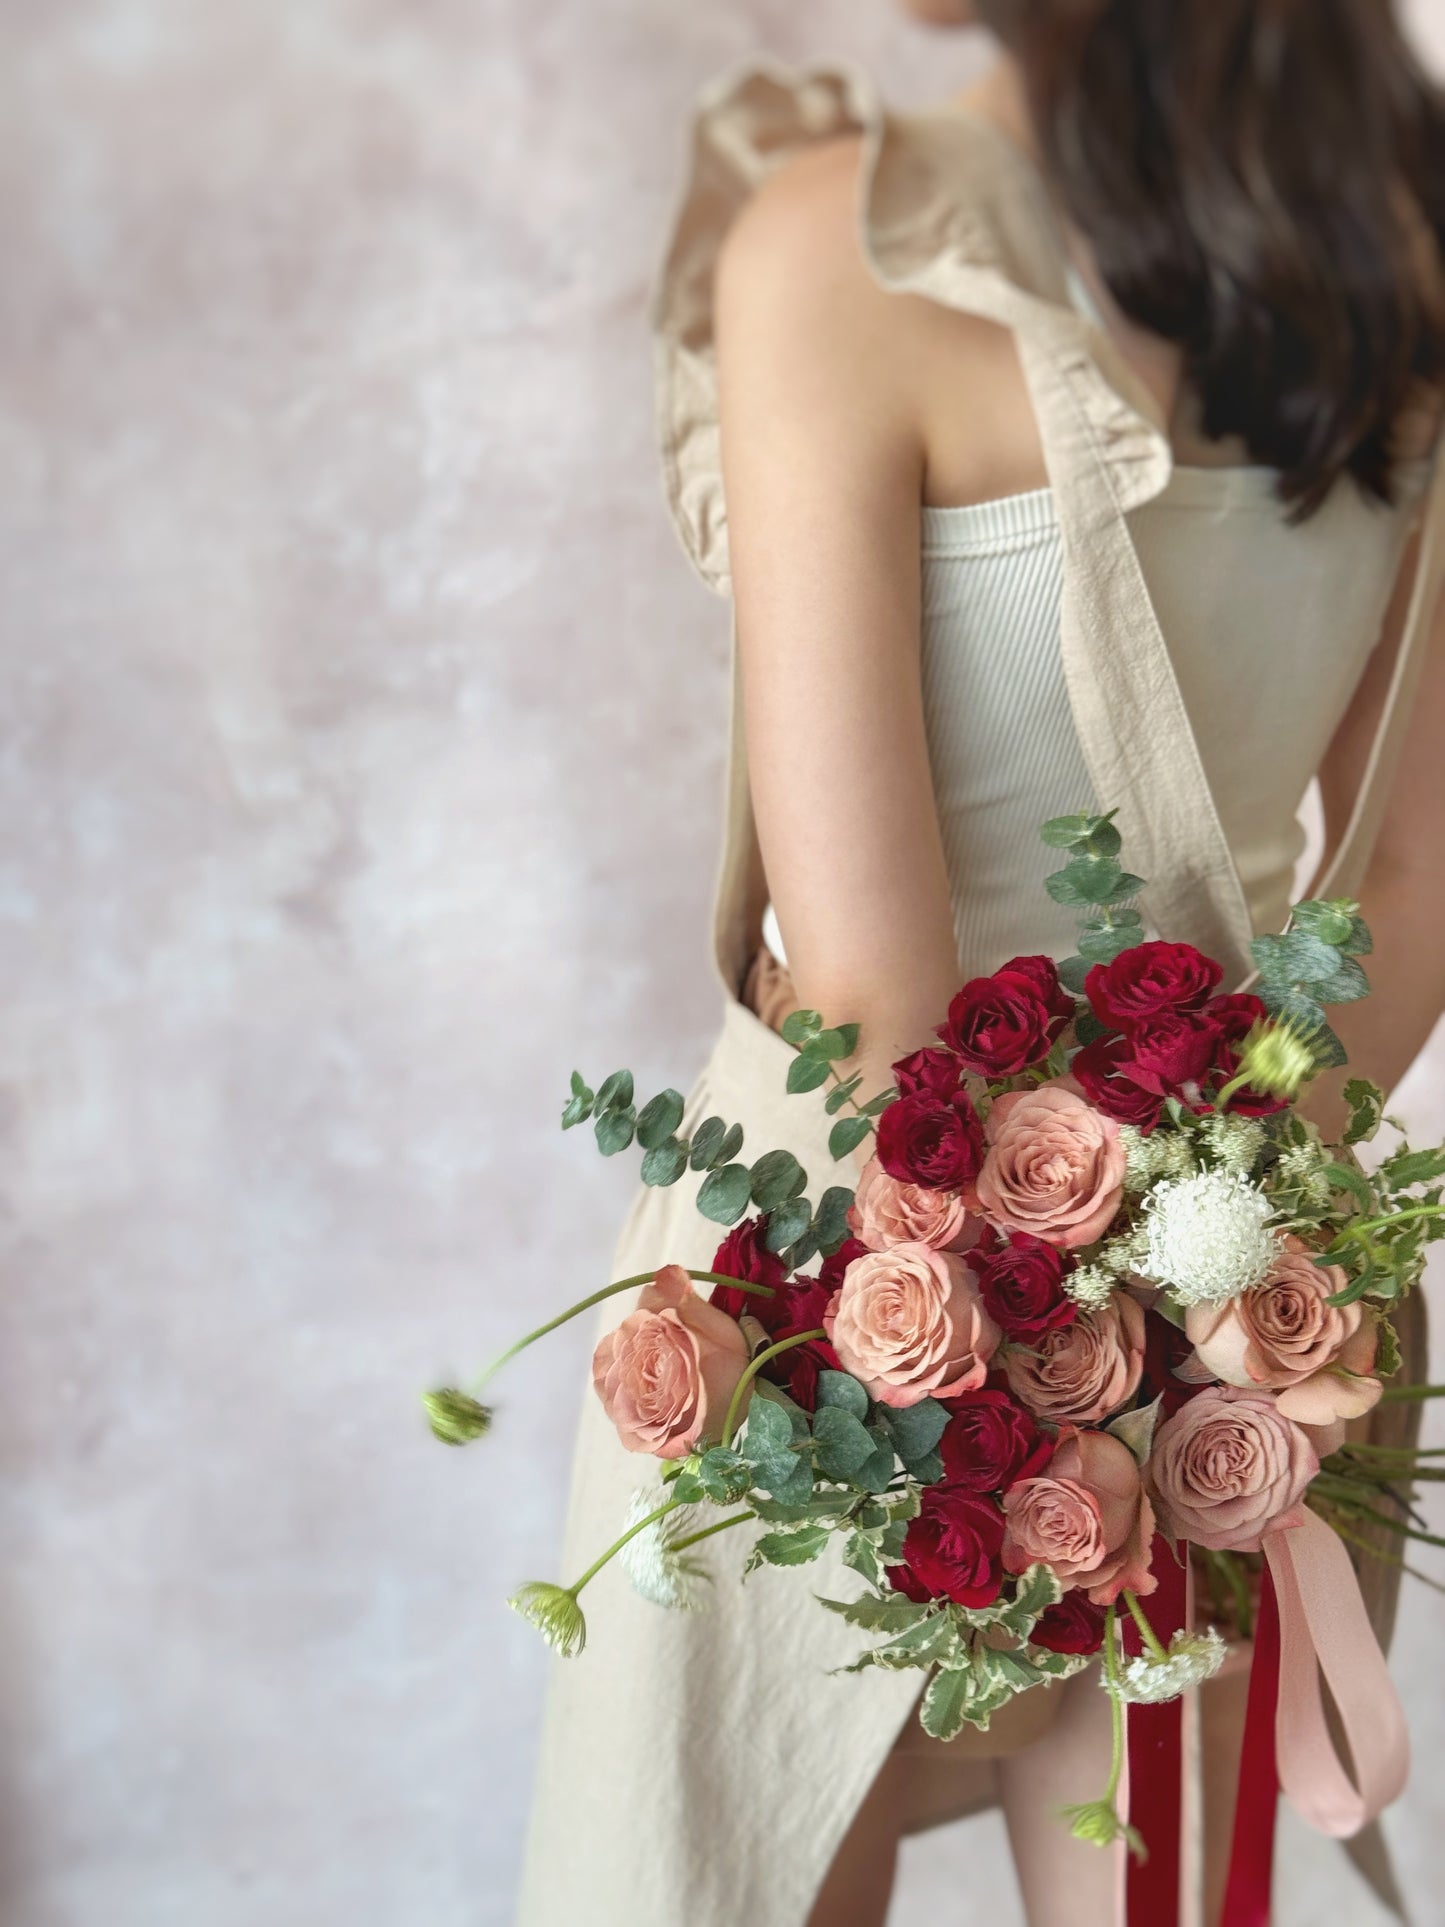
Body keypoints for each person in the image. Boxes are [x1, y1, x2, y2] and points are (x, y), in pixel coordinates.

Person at [517, 4, 1445, 1923]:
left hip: (826, 1291)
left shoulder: (839, 245)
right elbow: (1411, 862)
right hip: (1246, 1292)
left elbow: (869, 987)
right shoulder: (1403, 256)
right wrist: (1209, 1278)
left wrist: (996, 1304)